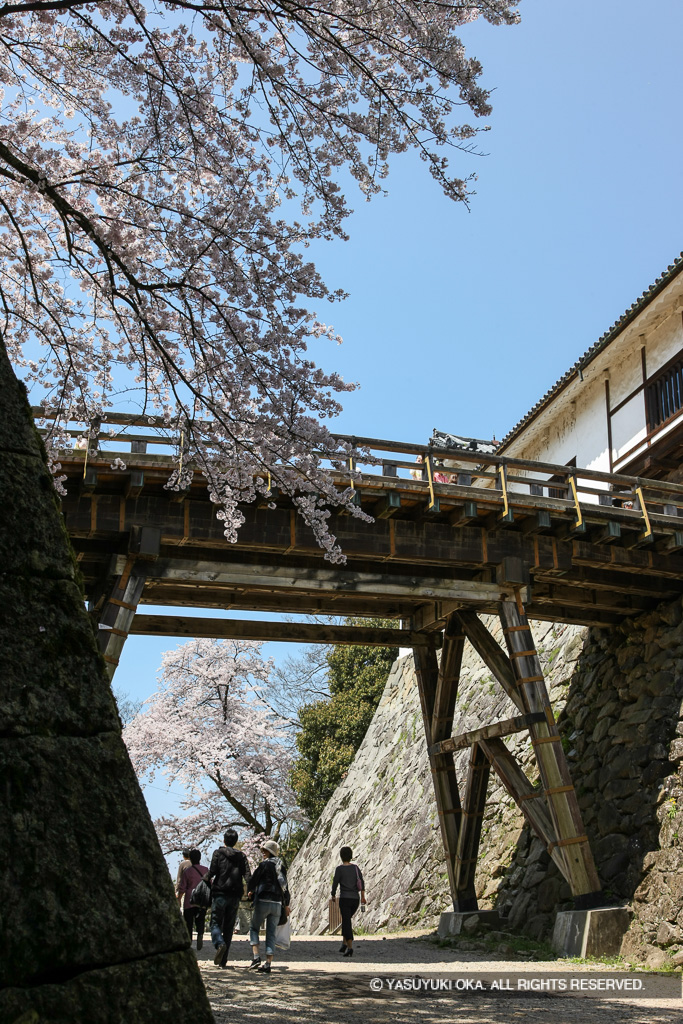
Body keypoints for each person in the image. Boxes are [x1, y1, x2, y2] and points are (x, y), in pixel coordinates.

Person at [208, 829, 251, 969]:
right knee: (228, 927)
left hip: (220, 893)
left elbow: (212, 872)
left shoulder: (218, 853)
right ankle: (223, 961)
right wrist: (250, 890)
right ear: (236, 841)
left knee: (215, 923)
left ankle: (219, 943)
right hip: (234, 895)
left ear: (224, 840)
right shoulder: (242, 856)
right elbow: (248, 876)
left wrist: (204, 879)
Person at [247, 839, 290, 975]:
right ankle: (268, 963)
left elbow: (253, 881)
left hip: (263, 900)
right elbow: (285, 889)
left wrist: (251, 891)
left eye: (264, 851)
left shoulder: (264, 866)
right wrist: (287, 904)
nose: (263, 853)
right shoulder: (281, 867)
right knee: (271, 933)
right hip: (277, 903)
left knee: (254, 927)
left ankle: (256, 958)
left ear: (269, 852)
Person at [331, 846, 366, 957]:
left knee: (346, 921)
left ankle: (350, 947)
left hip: (345, 899)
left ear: (341, 856)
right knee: (347, 920)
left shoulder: (339, 869)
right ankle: (344, 944)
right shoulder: (356, 868)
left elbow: (335, 883)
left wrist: (333, 894)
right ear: (350, 856)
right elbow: (361, 883)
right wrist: (363, 897)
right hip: (355, 899)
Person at [177, 849, 209, 951]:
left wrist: (179, 898)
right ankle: (200, 934)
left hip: (189, 900)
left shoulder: (188, 871)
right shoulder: (205, 870)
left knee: (188, 922)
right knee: (200, 920)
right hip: (202, 899)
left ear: (190, 858)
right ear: (200, 858)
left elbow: (182, 887)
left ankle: (189, 941)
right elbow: (210, 883)